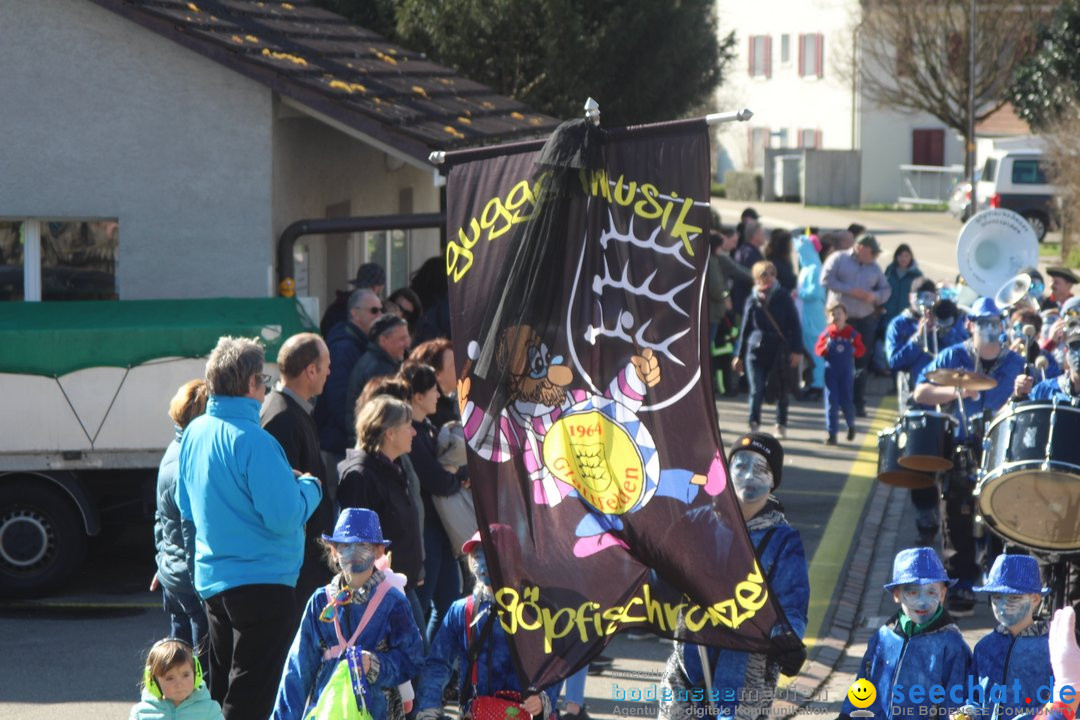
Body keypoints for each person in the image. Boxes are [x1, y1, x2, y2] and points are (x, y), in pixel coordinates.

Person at [176, 336, 323, 720]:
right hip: (262, 580)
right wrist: (309, 487)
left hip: (215, 580)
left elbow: (185, 505)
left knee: (223, 685)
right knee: (254, 692)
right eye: (265, 380)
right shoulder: (256, 441)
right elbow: (285, 516)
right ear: (251, 385)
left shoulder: (195, 433)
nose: (267, 388)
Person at [660, 432, 809, 720]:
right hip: (688, 666)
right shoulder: (695, 523)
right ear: (727, 472)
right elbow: (661, 574)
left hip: (744, 678)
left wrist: (788, 640)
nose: (749, 475)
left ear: (773, 481)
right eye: (740, 466)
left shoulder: (783, 540)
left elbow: (792, 605)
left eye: (761, 469)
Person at [914, 298, 1025, 616]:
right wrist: (958, 392)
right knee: (957, 516)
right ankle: (961, 582)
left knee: (1001, 518)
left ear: (1002, 326)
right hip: (962, 447)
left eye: (995, 322)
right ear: (970, 325)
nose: (990, 328)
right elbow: (921, 392)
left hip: (1004, 449)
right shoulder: (952, 356)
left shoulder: (1016, 362)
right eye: (983, 322)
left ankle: (1000, 581)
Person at [270, 508, 424, 720]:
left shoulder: (392, 602)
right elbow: (298, 668)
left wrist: (375, 664)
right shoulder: (320, 601)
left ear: (379, 550)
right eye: (345, 545)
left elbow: (412, 658)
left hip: (376, 710)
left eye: (362, 544)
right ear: (333, 550)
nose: (353, 551)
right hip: (327, 709)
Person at [416, 529, 560, 720]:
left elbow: (557, 663)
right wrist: (429, 708)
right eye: (477, 555)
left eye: (491, 554)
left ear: (513, 559)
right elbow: (437, 663)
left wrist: (543, 698)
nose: (483, 563)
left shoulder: (535, 610)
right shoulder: (462, 610)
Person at [839, 547, 971, 720]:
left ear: (943, 594)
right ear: (896, 594)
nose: (922, 602)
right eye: (912, 592)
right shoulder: (883, 638)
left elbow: (956, 702)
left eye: (931, 592)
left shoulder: (953, 646)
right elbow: (863, 684)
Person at [260, 333, 336, 617]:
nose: (330, 371)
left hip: (305, 559)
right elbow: (283, 498)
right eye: (326, 364)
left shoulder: (293, 410)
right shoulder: (282, 417)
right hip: (298, 565)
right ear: (311, 370)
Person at [337, 396, 425, 630]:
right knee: (415, 657)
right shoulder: (361, 475)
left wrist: (415, 567)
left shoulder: (394, 467)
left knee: (415, 656)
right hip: (378, 591)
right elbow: (355, 544)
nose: (414, 433)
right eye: (408, 426)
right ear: (390, 433)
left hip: (401, 582)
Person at [400, 362, 464, 643]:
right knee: (423, 604)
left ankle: (433, 669)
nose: (438, 395)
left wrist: (454, 475)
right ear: (418, 396)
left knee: (450, 600)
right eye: (433, 390)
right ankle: (420, 672)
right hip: (426, 530)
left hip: (440, 528)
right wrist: (456, 477)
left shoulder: (427, 427)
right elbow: (436, 480)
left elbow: (444, 476)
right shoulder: (411, 434)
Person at [152, 380, 210, 675]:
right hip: (191, 580)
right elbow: (191, 530)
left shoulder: (172, 451)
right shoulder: (191, 460)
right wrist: (203, 584)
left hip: (172, 577)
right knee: (199, 670)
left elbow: (161, 518)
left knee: (176, 662)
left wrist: (161, 563)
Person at [314, 287, 384, 501]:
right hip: (338, 443)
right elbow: (339, 398)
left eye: (381, 309)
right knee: (340, 501)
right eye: (374, 310)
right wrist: (357, 437)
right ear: (355, 313)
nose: (379, 315)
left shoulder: (359, 343)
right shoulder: (343, 347)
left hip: (345, 440)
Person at [968, 555, 1052, 720]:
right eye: (997, 597)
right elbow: (975, 698)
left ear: (1035, 599)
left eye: (1014, 597)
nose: (1003, 605)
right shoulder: (984, 647)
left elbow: (1067, 702)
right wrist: (969, 711)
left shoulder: (1052, 649)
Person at [821, 233, 892, 416]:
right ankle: (836, 403)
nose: (874, 256)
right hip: (840, 321)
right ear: (861, 248)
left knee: (861, 362)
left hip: (864, 319)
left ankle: (857, 403)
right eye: (872, 252)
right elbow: (825, 279)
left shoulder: (874, 268)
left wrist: (874, 297)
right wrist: (851, 291)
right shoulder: (838, 258)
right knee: (837, 361)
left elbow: (886, 289)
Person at [732, 260, 805, 437]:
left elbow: (795, 325)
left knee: (781, 388)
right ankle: (754, 422)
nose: (769, 278)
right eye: (764, 274)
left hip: (779, 351)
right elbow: (745, 329)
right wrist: (739, 355)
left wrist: (797, 351)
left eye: (772, 274)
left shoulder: (783, 297)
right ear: (757, 278)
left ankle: (781, 424)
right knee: (756, 389)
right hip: (755, 351)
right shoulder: (752, 300)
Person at [886, 279, 966, 411]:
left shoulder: (944, 318)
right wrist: (919, 337)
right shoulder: (899, 324)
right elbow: (894, 362)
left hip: (946, 396)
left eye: (930, 297)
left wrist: (944, 330)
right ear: (910, 297)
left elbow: (962, 351)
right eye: (920, 297)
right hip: (913, 396)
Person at [130, 638, 223, 720]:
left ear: (196, 674)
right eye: (170, 678)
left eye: (186, 675)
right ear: (154, 681)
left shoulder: (209, 710)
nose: (179, 684)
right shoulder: (142, 713)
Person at [346, 314, 411, 428]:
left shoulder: (382, 363)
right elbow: (387, 416)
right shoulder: (378, 369)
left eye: (406, 338)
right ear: (383, 340)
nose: (407, 344)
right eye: (402, 339)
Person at [815, 301, 865, 445]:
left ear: (845, 316)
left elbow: (861, 350)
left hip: (846, 373)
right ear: (828, 317)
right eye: (833, 314)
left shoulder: (852, 334)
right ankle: (832, 433)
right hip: (831, 372)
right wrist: (825, 348)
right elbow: (818, 350)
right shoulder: (827, 334)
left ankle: (850, 425)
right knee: (831, 403)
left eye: (839, 314)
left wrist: (855, 351)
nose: (836, 317)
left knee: (846, 402)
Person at [796, 232, 826, 400]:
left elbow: (815, 293)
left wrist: (799, 293)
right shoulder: (808, 267)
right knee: (809, 348)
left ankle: (818, 384)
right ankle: (812, 381)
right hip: (806, 312)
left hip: (814, 313)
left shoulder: (815, 269)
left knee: (816, 349)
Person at [1015, 322, 1080, 402]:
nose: (1078, 353)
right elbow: (1024, 410)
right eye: (1075, 346)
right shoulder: (1045, 389)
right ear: (1066, 351)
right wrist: (1019, 396)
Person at [319, 262, 386, 336]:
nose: (379, 314)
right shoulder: (349, 309)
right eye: (374, 311)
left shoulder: (337, 306)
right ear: (376, 288)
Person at [883, 243, 923, 328]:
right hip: (889, 314)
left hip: (908, 315)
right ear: (896, 257)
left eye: (906, 256)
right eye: (900, 256)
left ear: (911, 257)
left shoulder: (916, 275)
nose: (903, 259)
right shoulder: (890, 271)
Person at [731, 221, 766, 312]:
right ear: (754, 236)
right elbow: (755, 277)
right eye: (762, 234)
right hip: (746, 302)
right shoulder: (750, 254)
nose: (764, 237)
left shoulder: (745, 250)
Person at [763, 228, 797, 292]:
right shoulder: (777, 265)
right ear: (784, 246)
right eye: (790, 243)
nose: (791, 246)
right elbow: (789, 282)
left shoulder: (781, 261)